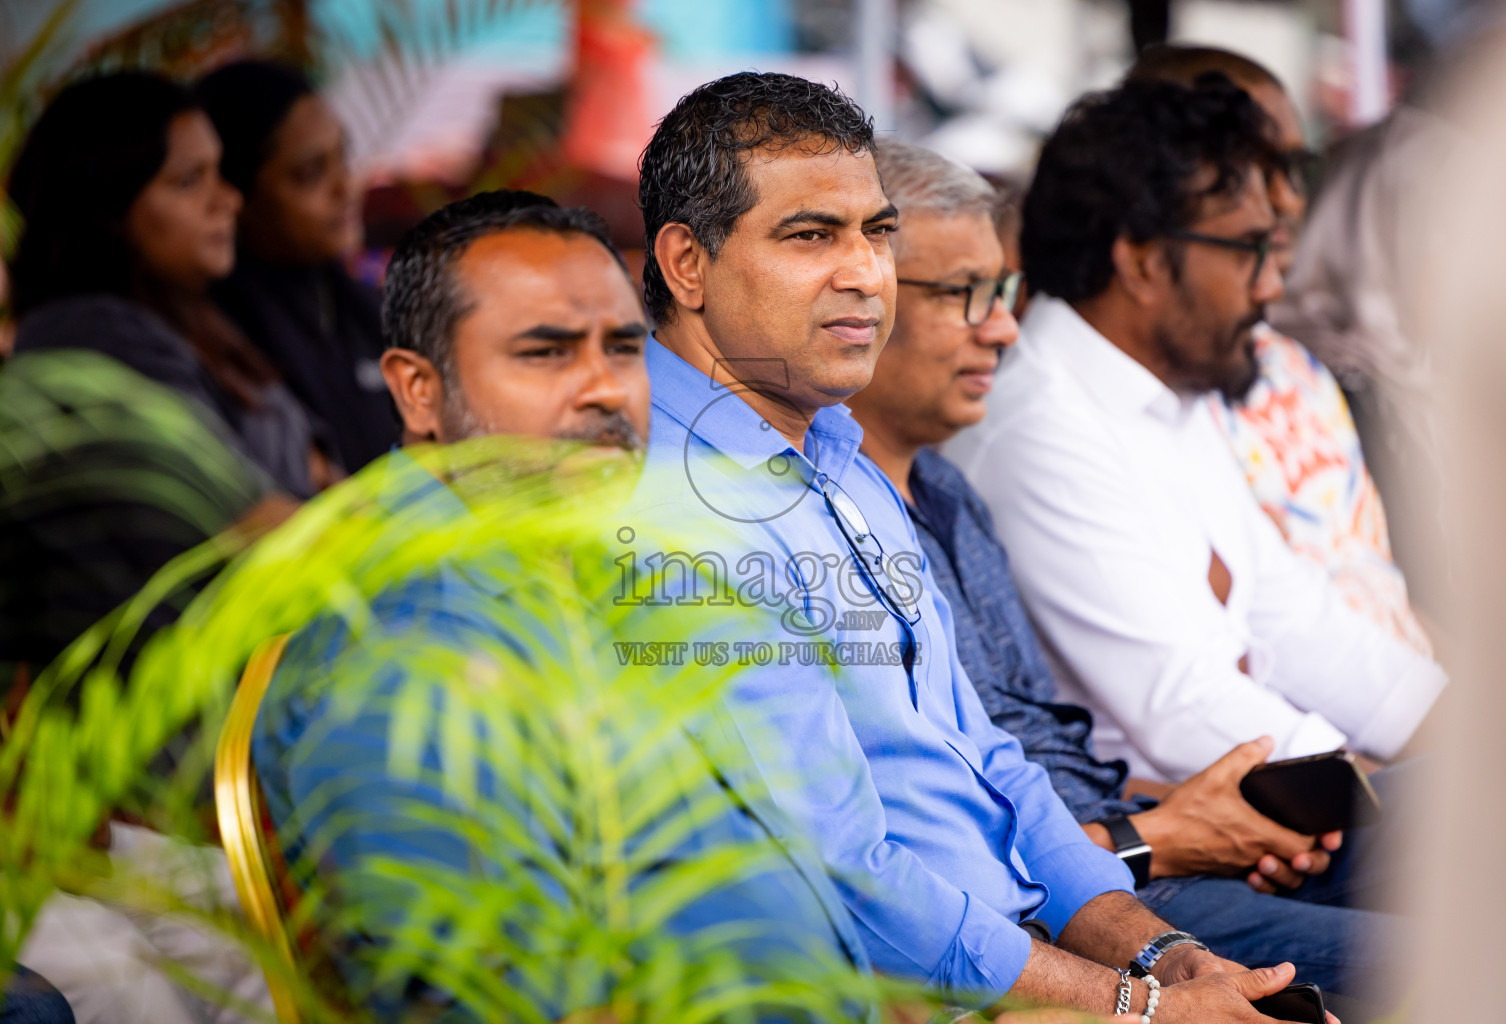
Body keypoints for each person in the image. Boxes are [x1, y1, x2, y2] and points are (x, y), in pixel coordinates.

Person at [628, 71, 1324, 1021]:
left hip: (1014, 959)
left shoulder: (841, 457)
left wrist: (1168, 959)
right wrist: (1141, 1008)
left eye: (876, 233)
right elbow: (847, 886)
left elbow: (995, 765)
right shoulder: (676, 509)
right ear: (687, 264)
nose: (864, 273)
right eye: (809, 235)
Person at [255, 190, 878, 1018]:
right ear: (418, 391)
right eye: (545, 353)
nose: (604, 390)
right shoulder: (406, 646)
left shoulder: (579, 568)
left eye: (623, 349)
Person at [848, 139, 1401, 1002]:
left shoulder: (946, 489)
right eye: (964, 296)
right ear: (855, 298)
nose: (1002, 326)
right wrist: (1154, 836)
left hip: (1112, 863)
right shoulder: (809, 516)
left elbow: (1027, 756)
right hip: (1081, 898)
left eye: (1005, 293)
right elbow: (932, 843)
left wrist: (1194, 811)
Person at [950, 75, 1446, 784]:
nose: (1272, 284)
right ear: (1143, 260)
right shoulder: (1038, 428)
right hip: (1158, 857)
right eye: (1248, 249)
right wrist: (1380, 795)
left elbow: (1301, 622)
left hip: (1260, 812)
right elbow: (1183, 705)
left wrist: (1465, 733)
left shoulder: (1170, 395)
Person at [1125, 44, 1431, 654]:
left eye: (1293, 169)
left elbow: (1385, 594)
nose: (1285, 199)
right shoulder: (1139, 385)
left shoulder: (1295, 367)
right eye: (1250, 167)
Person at [8, 72, 329, 499]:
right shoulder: (96, 334)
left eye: (218, 171)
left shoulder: (186, 316)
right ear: (107, 209)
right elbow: (236, 514)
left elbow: (313, 467)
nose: (227, 200)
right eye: (189, 180)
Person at [199, 60, 399, 474]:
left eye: (342, 156)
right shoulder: (221, 343)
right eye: (310, 174)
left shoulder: (369, 309)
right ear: (236, 194)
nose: (345, 187)